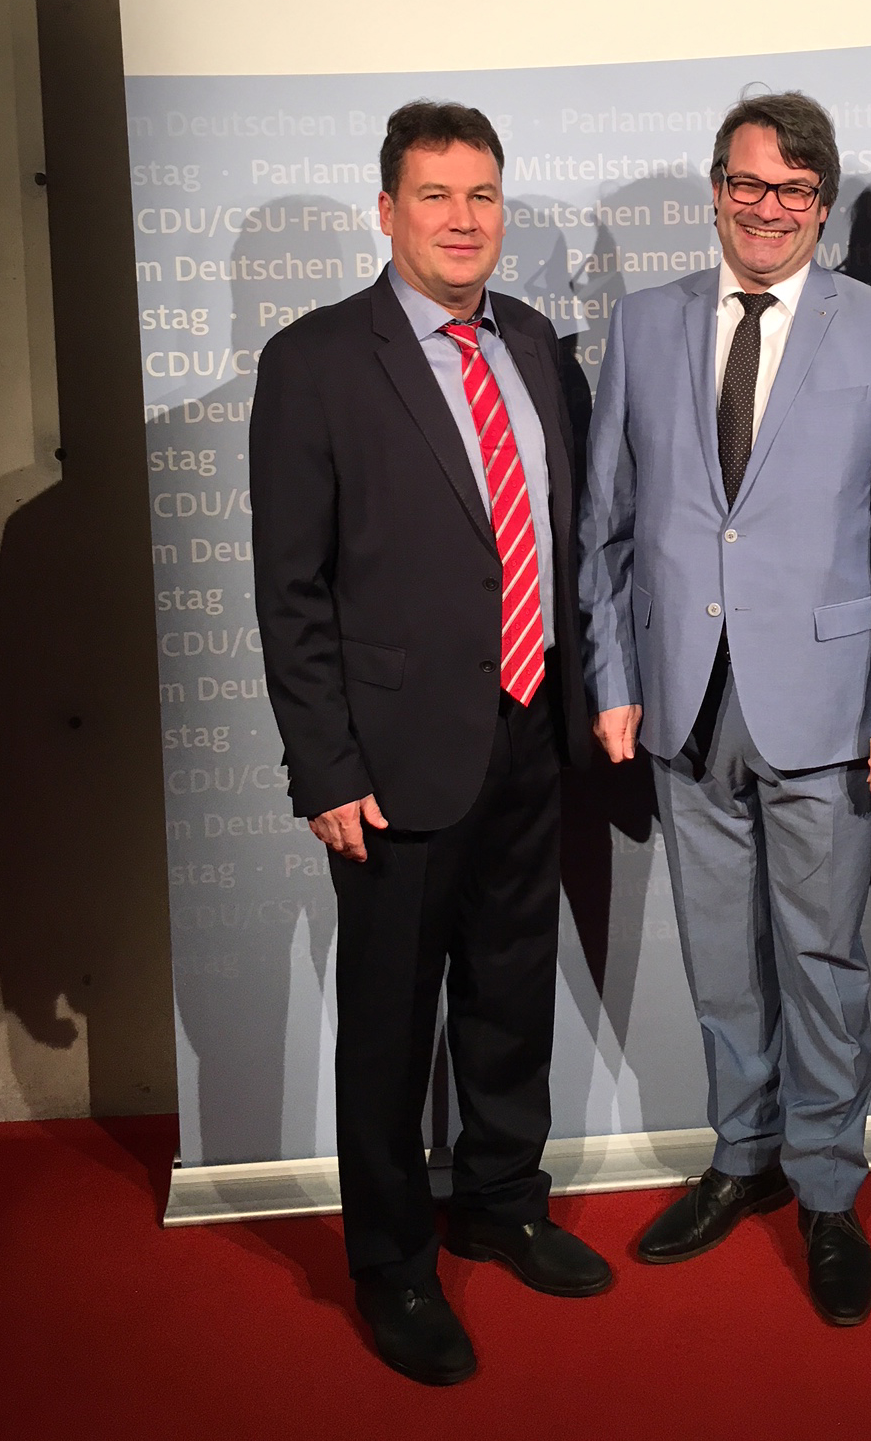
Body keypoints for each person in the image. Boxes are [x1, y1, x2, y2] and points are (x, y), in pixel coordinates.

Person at [251, 101, 611, 1388]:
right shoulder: (315, 361)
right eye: (436, 195)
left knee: (511, 990)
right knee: (391, 1026)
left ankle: (502, 1200)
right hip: (393, 760)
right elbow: (291, 590)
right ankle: (392, 1263)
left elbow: (567, 541)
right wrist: (326, 767)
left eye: (483, 195)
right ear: (388, 210)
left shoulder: (536, 346)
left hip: (529, 729)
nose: (464, 220)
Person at [580, 92, 871, 1328]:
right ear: (717, 190)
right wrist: (616, 680)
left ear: (822, 204)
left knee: (822, 959)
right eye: (747, 183)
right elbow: (606, 526)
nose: (768, 208)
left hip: (832, 709)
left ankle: (828, 1188)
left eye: (794, 190)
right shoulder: (645, 322)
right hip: (685, 703)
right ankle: (741, 1156)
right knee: (720, 958)